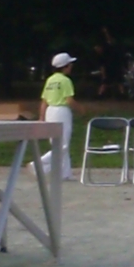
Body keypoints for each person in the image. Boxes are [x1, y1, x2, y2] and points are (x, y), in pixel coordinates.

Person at [36, 52, 83, 180]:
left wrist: (41, 117)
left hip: (50, 111)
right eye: (70, 64)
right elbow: (69, 100)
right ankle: (39, 163)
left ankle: (64, 173)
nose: (71, 66)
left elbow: (44, 100)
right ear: (65, 66)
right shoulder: (65, 80)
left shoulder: (50, 80)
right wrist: (80, 109)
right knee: (63, 144)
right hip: (62, 111)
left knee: (57, 142)